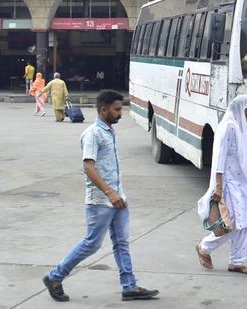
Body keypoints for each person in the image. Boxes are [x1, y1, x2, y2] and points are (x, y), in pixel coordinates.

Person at [42, 90, 159, 302]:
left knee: (121, 243)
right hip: (101, 201)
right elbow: (88, 167)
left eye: (120, 109)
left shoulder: (110, 131)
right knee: (91, 244)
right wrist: (110, 192)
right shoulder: (93, 134)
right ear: (103, 110)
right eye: (116, 110)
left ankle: (129, 286)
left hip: (118, 198)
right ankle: (54, 276)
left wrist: (118, 193)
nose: (120, 113)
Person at [196, 95, 247, 275]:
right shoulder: (228, 127)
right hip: (229, 185)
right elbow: (219, 158)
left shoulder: (242, 127)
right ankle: (204, 247)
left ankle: (237, 262)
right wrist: (218, 187)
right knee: (231, 224)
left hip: (244, 184)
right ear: (242, 109)